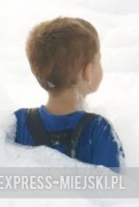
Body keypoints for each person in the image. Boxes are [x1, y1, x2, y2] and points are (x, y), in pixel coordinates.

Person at [13, 17, 124, 169]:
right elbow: (115, 188)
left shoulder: (17, 123)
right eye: (99, 60)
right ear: (88, 72)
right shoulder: (99, 129)